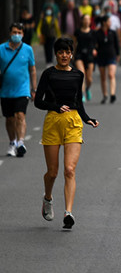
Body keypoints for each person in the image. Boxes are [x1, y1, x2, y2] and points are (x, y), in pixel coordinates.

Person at [34, 36, 99, 229]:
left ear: (71, 54)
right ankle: (48, 198)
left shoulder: (78, 75)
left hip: (73, 122)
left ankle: (68, 212)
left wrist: (87, 118)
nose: (64, 55)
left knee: (69, 170)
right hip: (53, 122)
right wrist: (55, 106)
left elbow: (78, 102)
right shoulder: (48, 74)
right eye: (61, 52)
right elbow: (38, 101)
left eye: (67, 52)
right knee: (53, 172)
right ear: (56, 54)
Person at [1, 23, 37, 157]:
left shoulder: (27, 49)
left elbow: (32, 70)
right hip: (5, 90)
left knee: (20, 115)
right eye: (14, 32)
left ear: (23, 34)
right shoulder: (1, 49)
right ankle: (12, 142)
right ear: (10, 33)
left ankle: (21, 142)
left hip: (22, 89)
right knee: (9, 119)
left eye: (19, 32)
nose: (17, 35)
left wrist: (34, 89)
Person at [94, 15, 120, 104]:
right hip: (101, 56)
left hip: (111, 55)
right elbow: (94, 44)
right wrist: (94, 50)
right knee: (103, 77)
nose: (110, 23)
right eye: (109, 21)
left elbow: (117, 44)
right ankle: (105, 95)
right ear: (104, 23)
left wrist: (118, 54)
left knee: (111, 74)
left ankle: (112, 94)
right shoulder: (97, 33)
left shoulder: (112, 32)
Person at [73, 15, 96, 102]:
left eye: (88, 20)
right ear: (82, 21)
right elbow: (74, 43)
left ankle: (87, 88)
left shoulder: (93, 32)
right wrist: (73, 54)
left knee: (89, 78)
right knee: (81, 75)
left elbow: (95, 44)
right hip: (79, 55)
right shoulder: (77, 31)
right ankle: (81, 94)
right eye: (85, 19)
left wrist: (94, 50)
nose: (87, 21)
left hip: (89, 55)